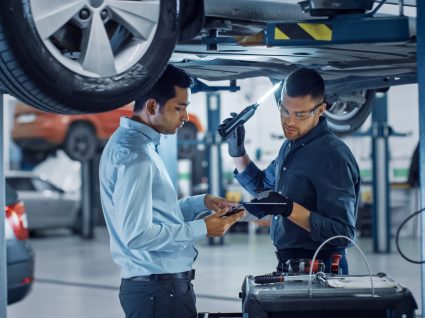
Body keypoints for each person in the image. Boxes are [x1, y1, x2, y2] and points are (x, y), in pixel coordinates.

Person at [99, 64, 245, 318]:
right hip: (158, 292)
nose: (186, 117)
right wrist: (203, 229)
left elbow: (152, 214)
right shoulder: (137, 156)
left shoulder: (131, 143)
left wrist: (201, 202)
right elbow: (137, 234)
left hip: (159, 289)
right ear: (153, 106)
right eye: (180, 107)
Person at [220, 68, 360, 274]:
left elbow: (343, 234)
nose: (290, 122)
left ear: (320, 110)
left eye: (300, 114)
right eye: (284, 110)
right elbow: (263, 189)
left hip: (322, 271)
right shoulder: (291, 146)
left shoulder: (332, 156)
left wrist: (289, 209)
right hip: (290, 267)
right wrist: (237, 152)